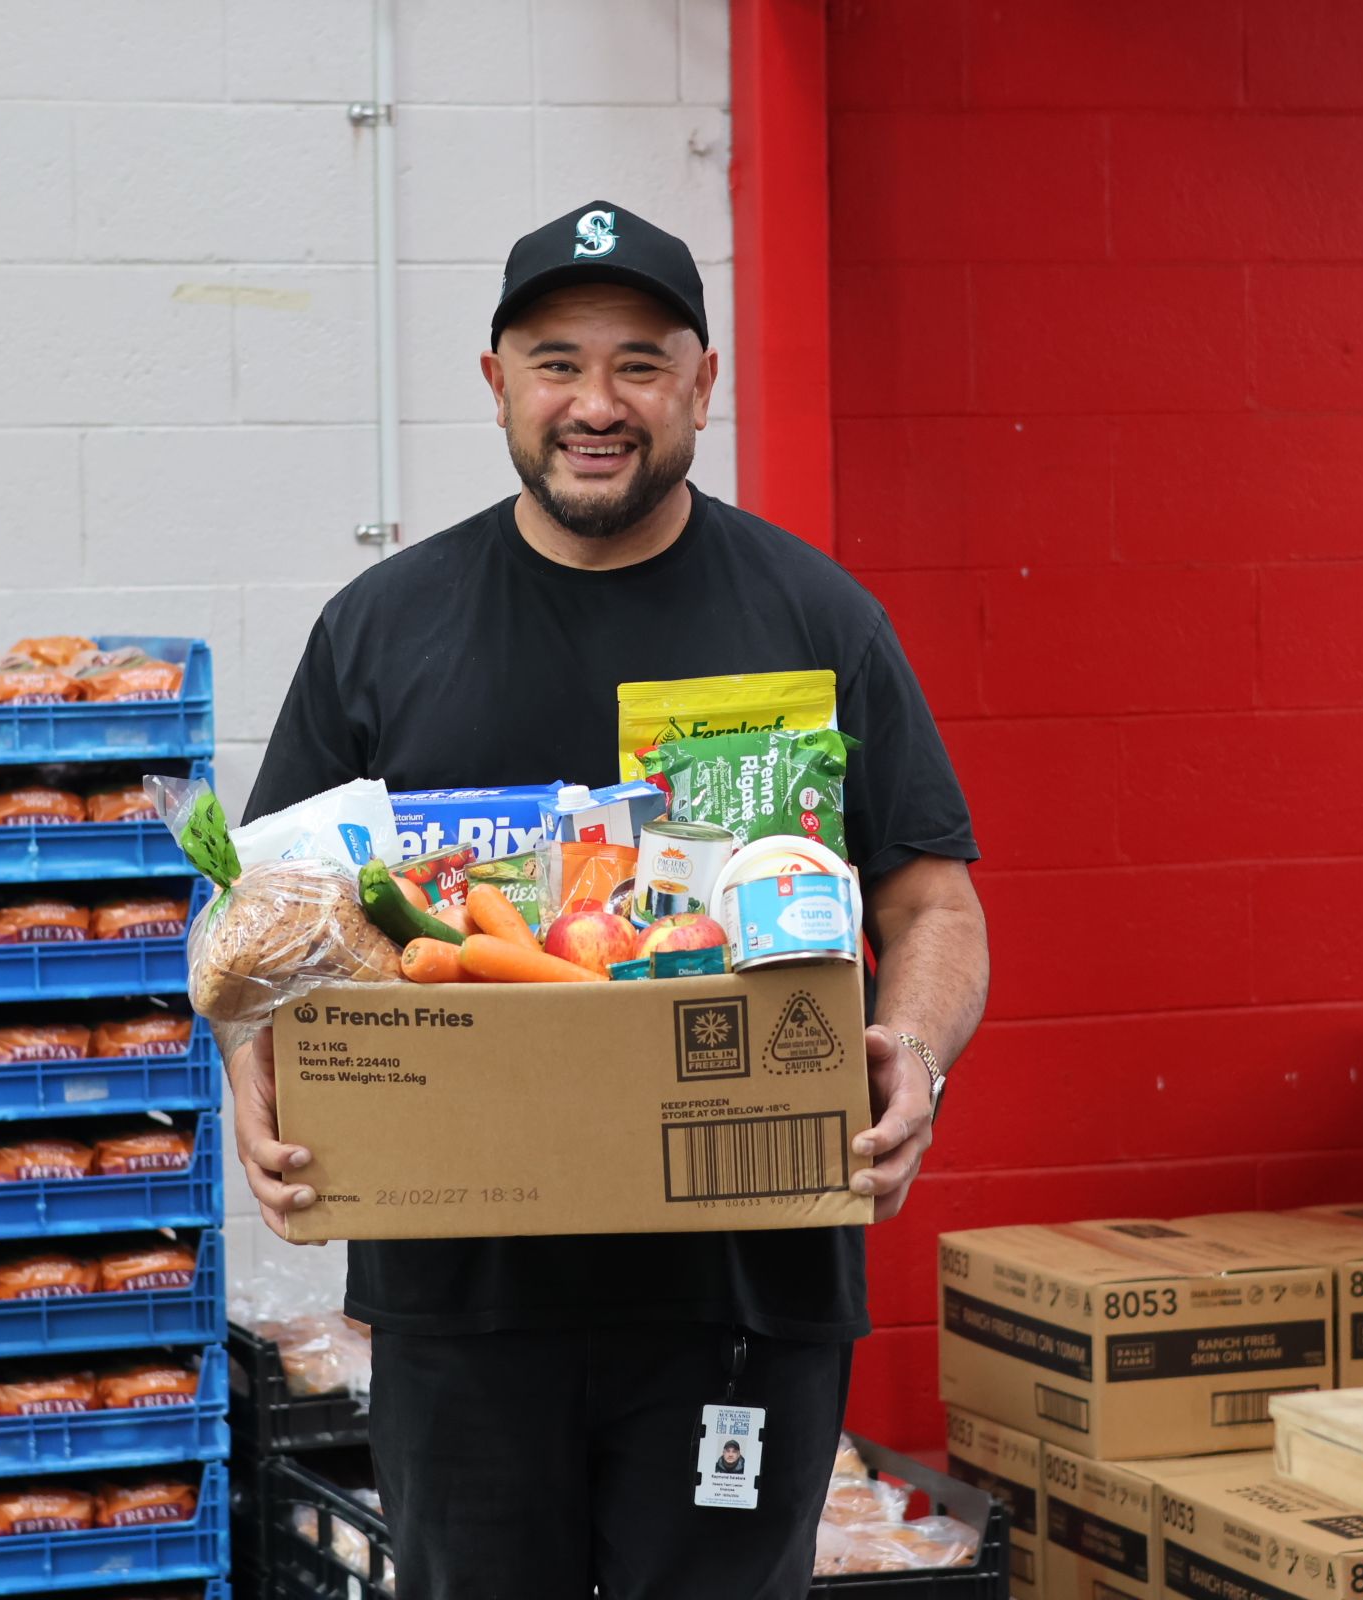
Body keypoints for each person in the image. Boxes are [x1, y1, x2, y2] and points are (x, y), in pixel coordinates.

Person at [240, 198, 989, 1599]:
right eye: (557, 362)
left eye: (641, 363)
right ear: (497, 384)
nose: (598, 403)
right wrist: (251, 1071)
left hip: (741, 1287)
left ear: (702, 382)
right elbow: (276, 923)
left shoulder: (816, 621)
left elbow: (932, 905)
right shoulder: (384, 628)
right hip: (467, 1288)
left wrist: (919, 1059)